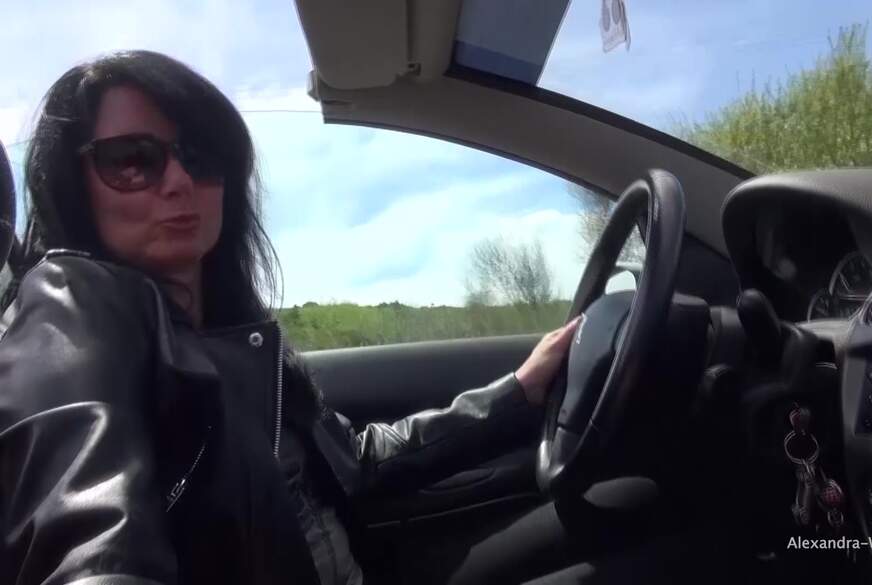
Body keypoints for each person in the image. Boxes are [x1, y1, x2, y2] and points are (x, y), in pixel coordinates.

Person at [0, 51, 582, 585]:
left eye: (201, 156)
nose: (178, 182)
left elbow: (353, 460)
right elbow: (91, 544)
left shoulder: (235, 334)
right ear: (74, 185)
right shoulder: (70, 305)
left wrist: (518, 392)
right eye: (132, 161)